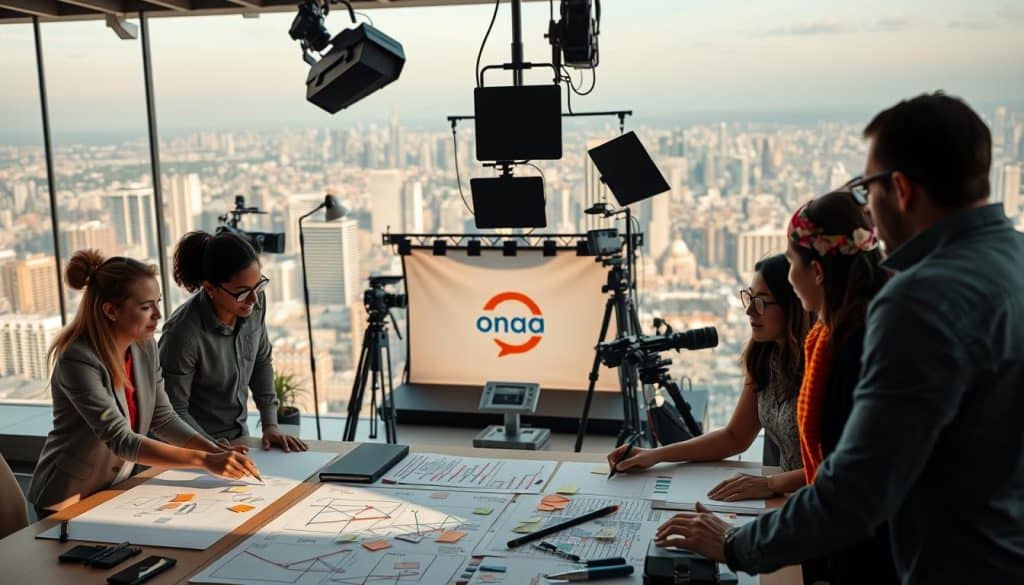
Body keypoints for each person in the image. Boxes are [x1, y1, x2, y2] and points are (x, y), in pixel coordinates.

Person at [651, 93, 1024, 585]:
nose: (867, 207)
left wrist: (732, 544)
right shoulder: (1014, 259)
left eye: (867, 188)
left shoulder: (918, 300)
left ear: (901, 189)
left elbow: (857, 488)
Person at [27, 251, 259, 515]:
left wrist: (215, 450)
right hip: (67, 496)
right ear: (111, 310)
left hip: (116, 487)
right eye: (146, 306)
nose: (158, 314)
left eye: (158, 303)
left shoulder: (144, 345)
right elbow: (121, 440)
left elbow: (163, 417)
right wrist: (206, 460)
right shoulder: (78, 360)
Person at [608, 254, 813, 501]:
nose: (749, 310)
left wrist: (772, 483)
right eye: (749, 297)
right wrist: (655, 455)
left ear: (793, 306)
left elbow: (838, 466)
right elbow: (734, 437)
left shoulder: (822, 366)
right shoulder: (764, 357)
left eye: (761, 302)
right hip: (785, 500)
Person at [784, 190, 897, 584]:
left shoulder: (854, 345)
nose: (789, 278)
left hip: (874, 554)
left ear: (816, 272)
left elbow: (846, 481)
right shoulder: (852, 328)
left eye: (790, 264)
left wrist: (736, 543)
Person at [161, 231, 307, 452]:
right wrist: (212, 451)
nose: (253, 299)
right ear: (210, 289)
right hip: (192, 449)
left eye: (258, 286)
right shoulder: (182, 335)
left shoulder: (254, 303)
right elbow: (174, 410)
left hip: (238, 441)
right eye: (242, 293)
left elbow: (261, 360)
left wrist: (270, 424)